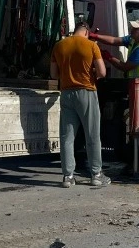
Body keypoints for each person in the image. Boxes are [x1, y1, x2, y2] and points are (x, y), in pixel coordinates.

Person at [89, 18, 139, 178]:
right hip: (138, 92)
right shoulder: (134, 41)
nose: (131, 30)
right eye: (132, 28)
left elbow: (124, 66)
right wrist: (96, 36)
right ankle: (136, 162)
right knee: (136, 127)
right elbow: (115, 40)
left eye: (135, 29)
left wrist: (107, 57)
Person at [50, 21, 111, 188]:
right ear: (86, 32)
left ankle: (68, 177)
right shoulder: (91, 45)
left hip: (67, 93)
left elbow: (53, 75)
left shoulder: (59, 46)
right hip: (87, 92)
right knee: (92, 136)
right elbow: (102, 72)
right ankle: (96, 175)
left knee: (67, 137)